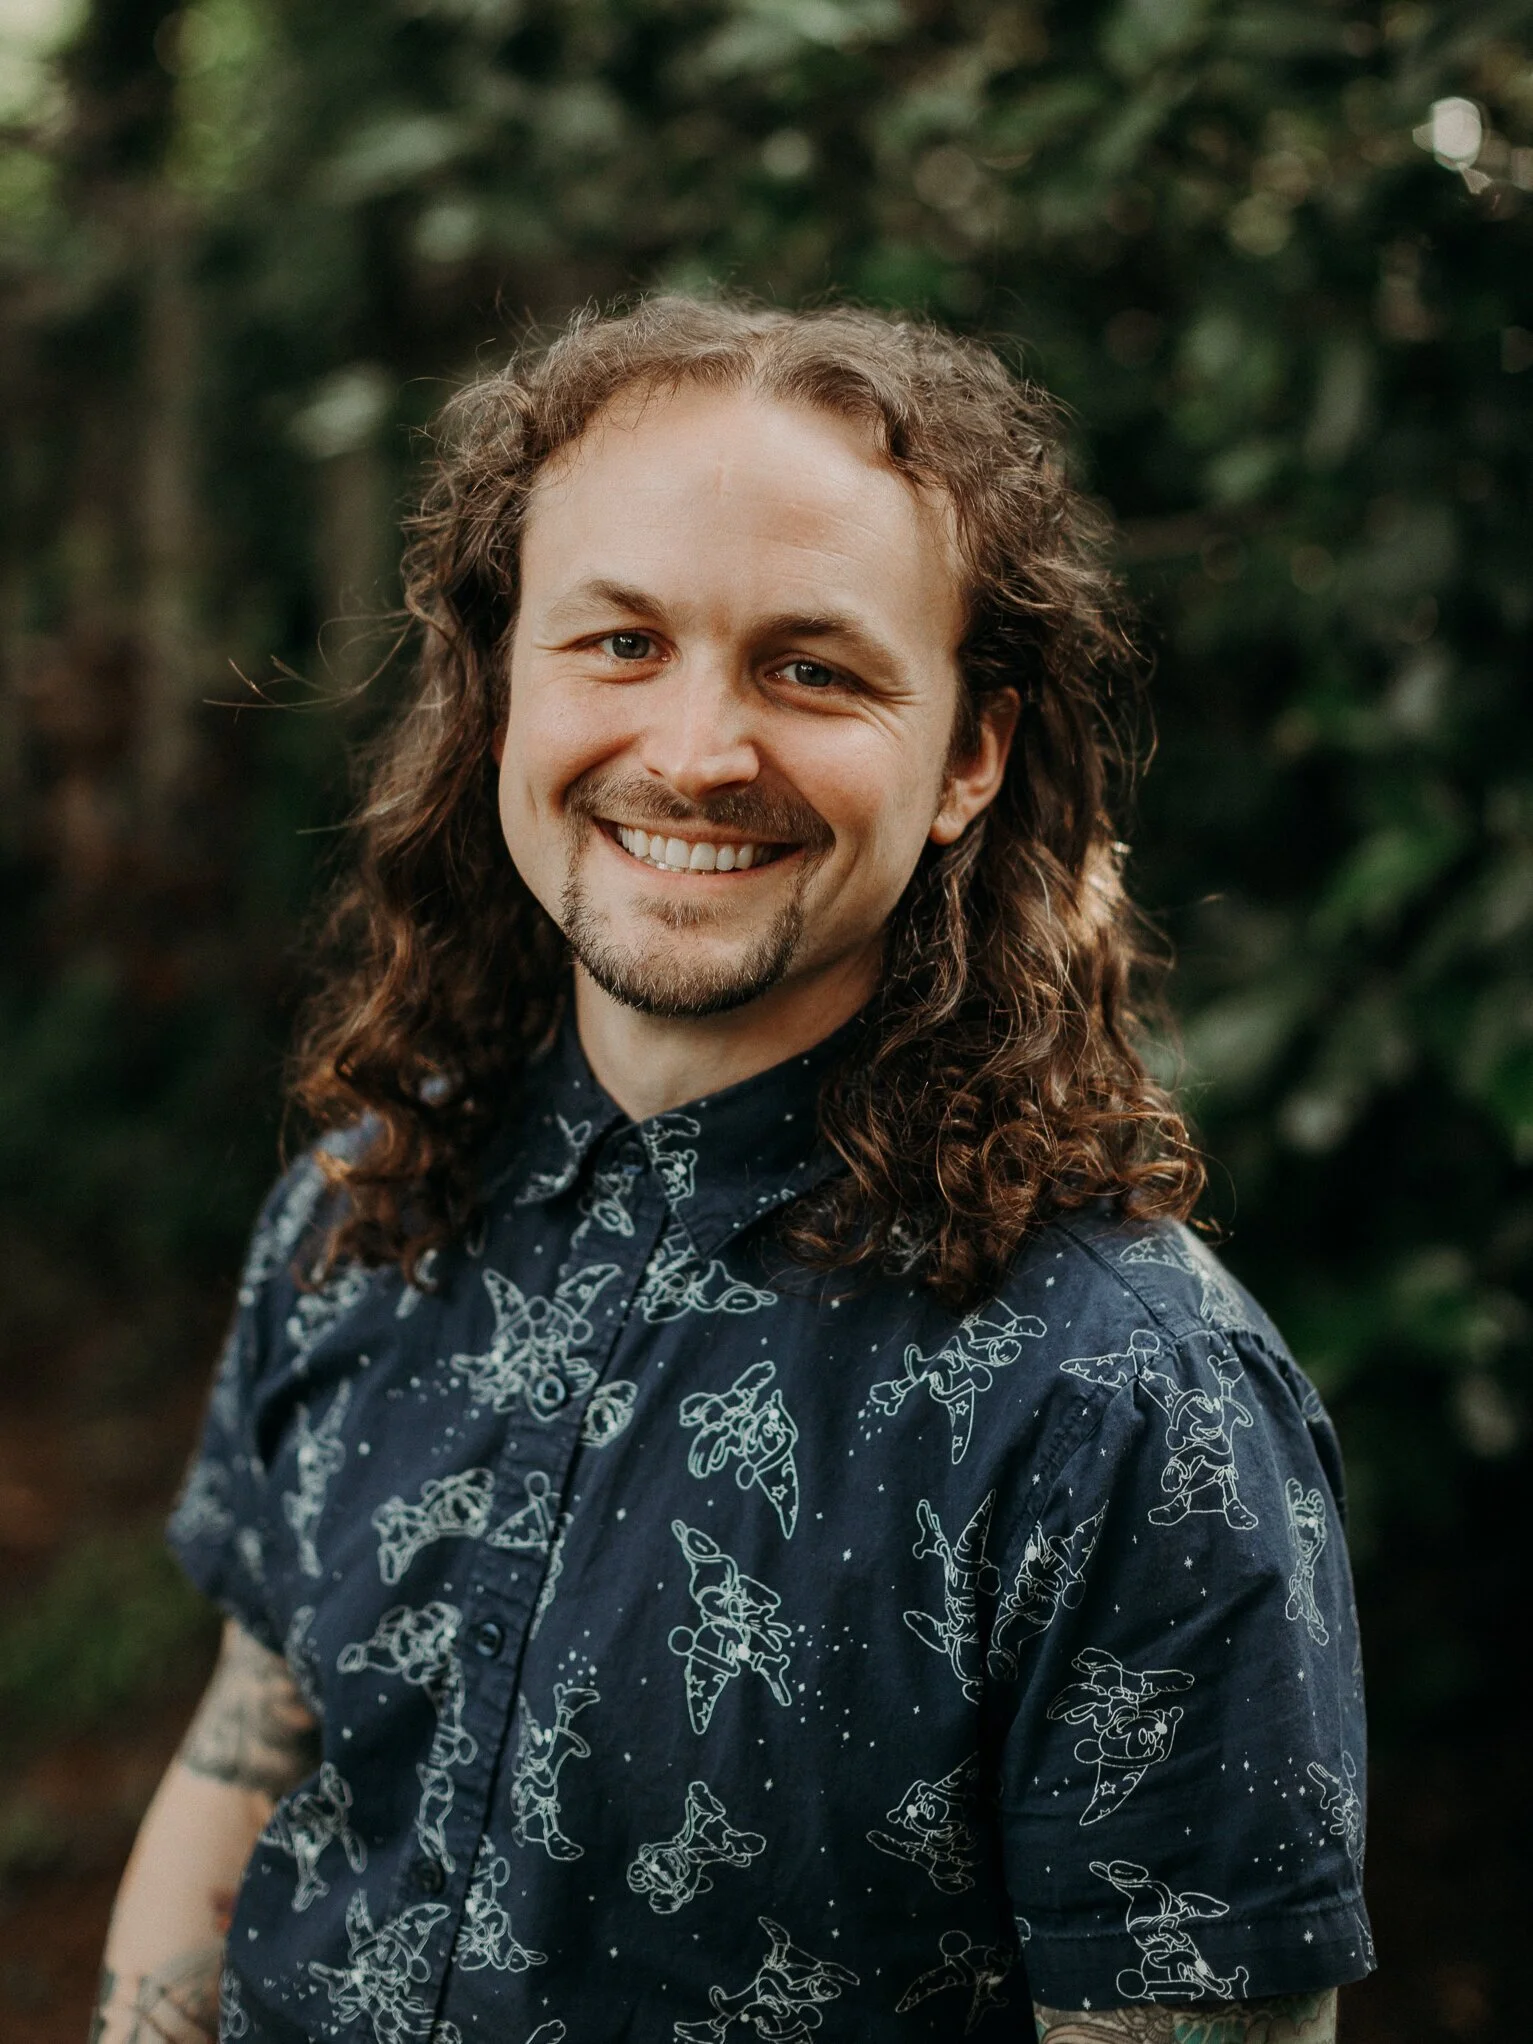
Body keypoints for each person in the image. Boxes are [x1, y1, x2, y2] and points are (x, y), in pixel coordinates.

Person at [93, 299, 1372, 2044]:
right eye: (620, 641)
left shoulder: (1131, 1405)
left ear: (970, 756)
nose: (695, 752)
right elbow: (245, 1767)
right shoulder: (365, 1198)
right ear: (502, 687)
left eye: (812, 668)